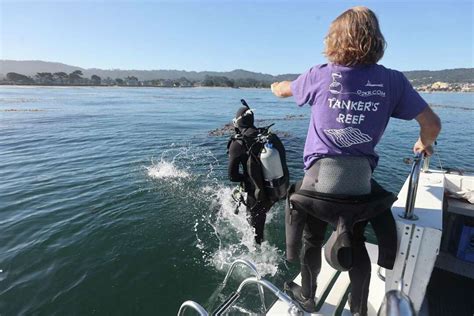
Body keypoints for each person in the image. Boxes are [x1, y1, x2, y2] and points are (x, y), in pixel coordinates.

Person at [270, 6, 441, 315]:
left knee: (312, 238)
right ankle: (359, 308)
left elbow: (284, 91)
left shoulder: (319, 74)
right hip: (358, 189)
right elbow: (432, 124)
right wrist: (423, 143)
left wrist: (277, 86)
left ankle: (308, 296)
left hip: (316, 189)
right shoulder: (393, 82)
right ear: (376, 40)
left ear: (334, 39)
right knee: (357, 239)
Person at [227, 106, 274, 244]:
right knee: (261, 217)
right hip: (273, 188)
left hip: (256, 192)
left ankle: (260, 258)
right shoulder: (264, 136)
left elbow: (232, 176)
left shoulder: (238, 143)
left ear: (238, 122)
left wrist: (246, 179)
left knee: (255, 234)